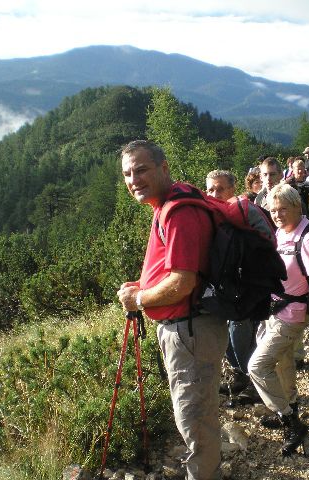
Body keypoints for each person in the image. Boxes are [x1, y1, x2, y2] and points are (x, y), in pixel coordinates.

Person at [117, 140, 228, 480]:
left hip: (189, 330)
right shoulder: (170, 204)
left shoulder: (180, 212)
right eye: (127, 174)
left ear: (163, 168)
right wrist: (143, 287)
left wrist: (139, 300)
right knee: (195, 412)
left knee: (193, 417)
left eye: (141, 170)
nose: (134, 179)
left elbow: (182, 282)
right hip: (188, 328)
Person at [248, 184, 309, 456]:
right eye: (273, 210)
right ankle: (290, 405)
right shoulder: (281, 233)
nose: (277, 214)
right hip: (273, 310)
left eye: (283, 208)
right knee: (282, 363)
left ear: (298, 207)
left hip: (293, 315)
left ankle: (290, 421)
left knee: (257, 366)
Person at [205, 169, 262, 404]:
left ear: (232, 189)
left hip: (248, 287)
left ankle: (256, 383)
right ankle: (240, 375)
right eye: (210, 189)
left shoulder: (244, 212)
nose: (215, 193)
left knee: (242, 334)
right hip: (223, 289)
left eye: (220, 188)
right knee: (226, 337)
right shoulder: (210, 214)